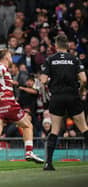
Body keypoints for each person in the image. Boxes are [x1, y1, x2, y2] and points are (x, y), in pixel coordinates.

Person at [0, 49, 44, 168]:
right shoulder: (1, 67)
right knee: (27, 125)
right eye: (10, 55)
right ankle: (29, 152)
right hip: (8, 104)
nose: (11, 57)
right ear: (6, 57)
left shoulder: (2, 71)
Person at [40, 34, 88, 171]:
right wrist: (82, 91)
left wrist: (47, 88)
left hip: (57, 97)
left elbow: (43, 80)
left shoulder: (50, 59)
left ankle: (48, 163)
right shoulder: (75, 59)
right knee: (84, 128)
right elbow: (84, 79)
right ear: (67, 46)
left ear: (56, 45)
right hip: (73, 96)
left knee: (55, 130)